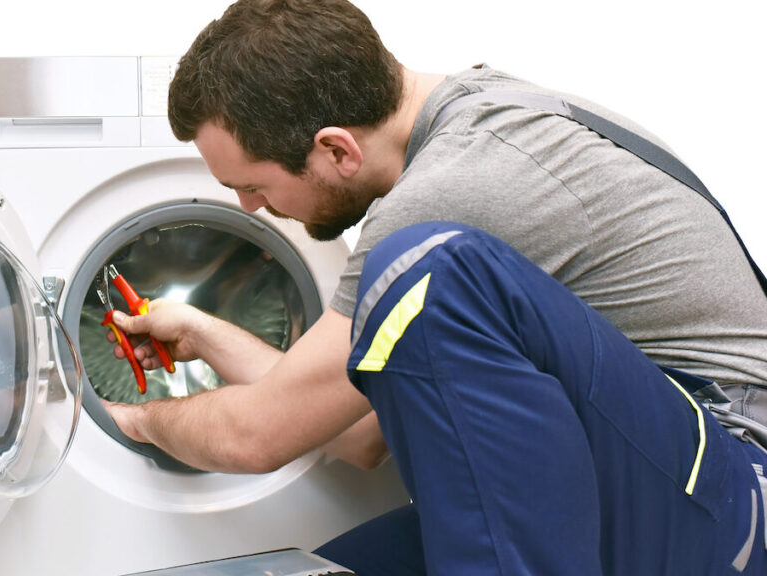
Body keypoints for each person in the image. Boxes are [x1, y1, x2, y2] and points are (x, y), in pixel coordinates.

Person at [104, 0, 767, 572]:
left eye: (253, 185)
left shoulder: (453, 191)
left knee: (426, 268)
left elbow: (258, 436)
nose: (250, 207)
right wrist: (203, 333)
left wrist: (129, 419)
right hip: (661, 478)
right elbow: (361, 433)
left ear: (336, 150)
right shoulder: (477, 109)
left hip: (735, 500)